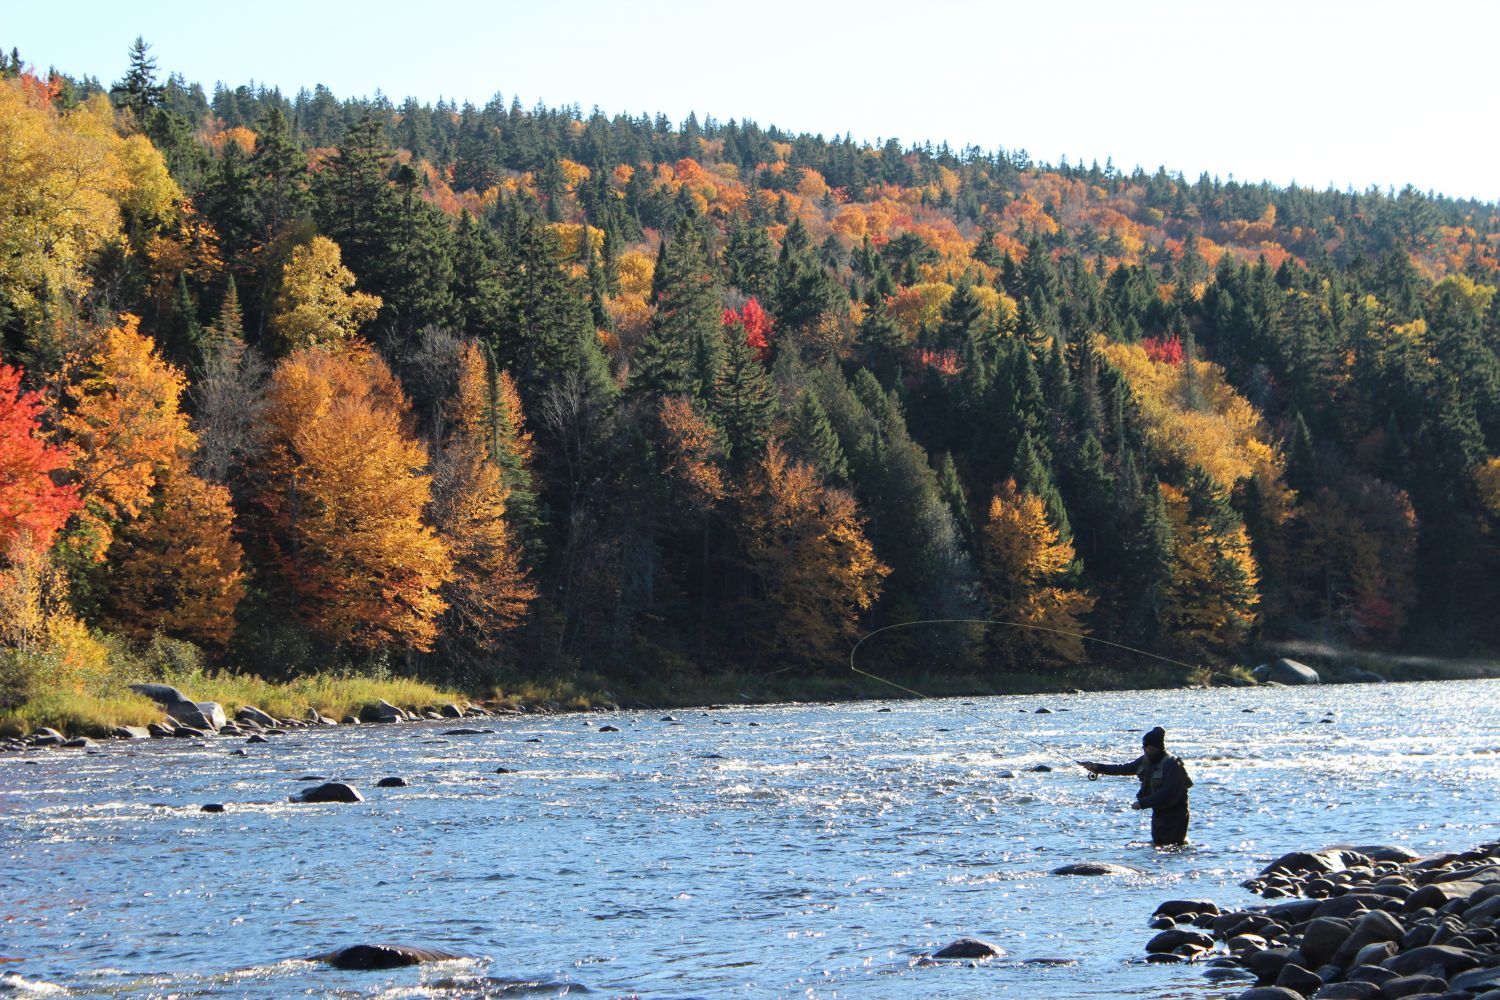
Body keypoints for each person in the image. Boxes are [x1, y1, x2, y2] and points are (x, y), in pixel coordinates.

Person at [1081, 726, 1192, 846]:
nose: (1143, 748)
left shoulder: (1171, 764)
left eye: (1145, 745)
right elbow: (1123, 768)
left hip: (1176, 815)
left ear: (1154, 746)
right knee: (1158, 846)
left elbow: (1168, 791)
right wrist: (1097, 767)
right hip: (1158, 813)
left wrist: (1142, 803)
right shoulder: (1145, 760)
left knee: (1173, 847)